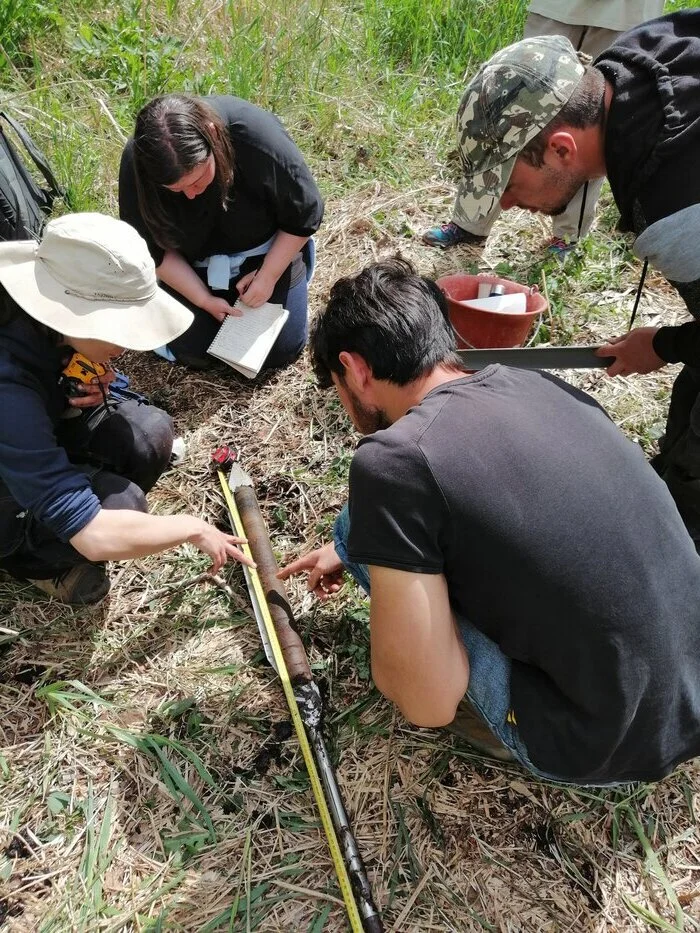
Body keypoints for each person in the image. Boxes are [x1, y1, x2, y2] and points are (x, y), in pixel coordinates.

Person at [279, 259, 700, 785]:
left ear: (356, 369)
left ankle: (501, 729)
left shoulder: (393, 460)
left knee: (381, 552)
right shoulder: (534, 383)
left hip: (600, 745)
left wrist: (372, 564)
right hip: (690, 700)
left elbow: (425, 702)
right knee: (375, 529)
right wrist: (351, 541)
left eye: (336, 385)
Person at [433, 11, 700, 541]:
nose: (506, 204)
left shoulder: (675, 206)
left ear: (560, 147)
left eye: (508, 184)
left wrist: (667, 345)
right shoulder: (634, 58)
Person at [0, 212, 253, 606]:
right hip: (9, 467)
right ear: (77, 313)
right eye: (123, 328)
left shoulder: (48, 315)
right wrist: (189, 528)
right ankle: (33, 560)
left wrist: (98, 382)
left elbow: (73, 370)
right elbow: (94, 534)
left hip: (32, 430)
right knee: (123, 505)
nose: (130, 344)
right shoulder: (7, 383)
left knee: (150, 434)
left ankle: (71, 477)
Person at [422, 0, 663, 254]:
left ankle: (568, 235)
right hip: (559, 6)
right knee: (513, 103)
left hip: (624, 9)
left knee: (593, 125)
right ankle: (470, 222)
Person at [119, 94, 324, 373]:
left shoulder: (254, 134)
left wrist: (268, 275)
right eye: (177, 190)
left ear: (212, 135)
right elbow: (152, 251)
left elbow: (303, 214)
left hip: (266, 252)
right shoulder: (139, 162)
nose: (191, 195)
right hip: (188, 268)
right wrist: (203, 299)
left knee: (279, 350)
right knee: (195, 352)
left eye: (199, 179)